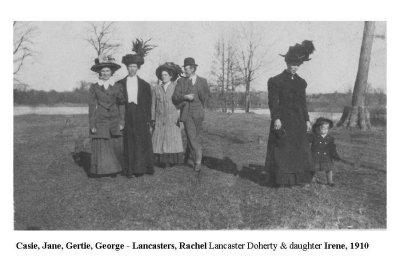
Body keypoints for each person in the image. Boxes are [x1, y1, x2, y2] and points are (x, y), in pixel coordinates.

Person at [265, 40, 316, 187]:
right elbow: (273, 102)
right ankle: (281, 180)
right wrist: (276, 118)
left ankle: (298, 180)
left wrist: (307, 120)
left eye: (298, 65)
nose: (295, 68)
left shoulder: (301, 82)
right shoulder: (275, 81)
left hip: (298, 121)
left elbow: (303, 102)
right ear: (287, 63)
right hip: (283, 120)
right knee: (282, 150)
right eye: (293, 65)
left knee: (299, 150)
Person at [118, 40, 155, 178]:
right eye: (130, 66)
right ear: (126, 68)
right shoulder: (120, 84)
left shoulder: (145, 85)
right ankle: (129, 169)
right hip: (127, 115)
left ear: (138, 68)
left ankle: (140, 169)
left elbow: (148, 103)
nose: (132, 69)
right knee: (128, 142)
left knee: (140, 141)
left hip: (140, 115)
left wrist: (147, 120)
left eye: (134, 66)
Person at [88, 55, 125, 177]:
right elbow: (92, 106)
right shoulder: (94, 87)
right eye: (102, 71)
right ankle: (102, 170)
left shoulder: (118, 86)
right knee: (102, 142)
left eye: (107, 71)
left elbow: (122, 104)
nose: (105, 73)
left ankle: (115, 169)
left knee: (114, 143)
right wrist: (92, 124)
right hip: (101, 118)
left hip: (114, 117)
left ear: (112, 72)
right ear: (99, 72)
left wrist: (122, 121)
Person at [172, 57, 210, 172]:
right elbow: (175, 97)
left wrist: (203, 105)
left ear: (193, 69)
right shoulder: (181, 81)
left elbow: (207, 97)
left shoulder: (202, 81)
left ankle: (188, 156)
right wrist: (185, 97)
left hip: (198, 113)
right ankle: (198, 161)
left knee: (194, 137)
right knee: (192, 137)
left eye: (187, 68)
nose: (185, 71)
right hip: (187, 113)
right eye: (185, 68)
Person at [151, 62, 184, 167]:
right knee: (159, 138)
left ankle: (172, 161)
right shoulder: (156, 88)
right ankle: (161, 161)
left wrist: (179, 117)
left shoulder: (175, 87)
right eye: (162, 75)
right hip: (160, 118)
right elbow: (153, 105)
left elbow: (180, 102)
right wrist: (153, 118)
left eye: (165, 75)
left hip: (172, 118)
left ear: (171, 76)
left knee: (171, 138)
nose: (163, 77)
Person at [309, 117, 341, 186]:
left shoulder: (330, 138)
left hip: (326, 156)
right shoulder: (313, 136)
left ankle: (330, 181)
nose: (324, 130)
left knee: (329, 169)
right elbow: (306, 140)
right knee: (312, 169)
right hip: (315, 155)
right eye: (323, 128)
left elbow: (332, 148)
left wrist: (335, 155)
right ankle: (310, 179)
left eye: (326, 128)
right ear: (318, 128)